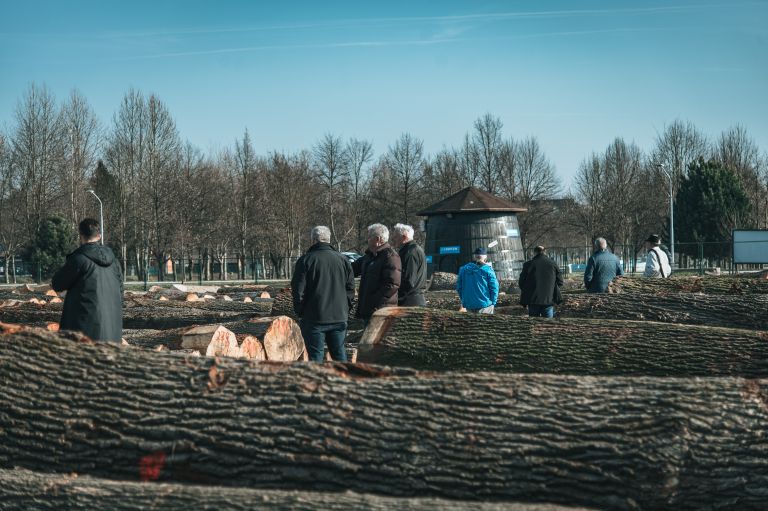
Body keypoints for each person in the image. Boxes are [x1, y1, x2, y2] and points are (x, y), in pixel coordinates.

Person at [51, 218, 123, 342]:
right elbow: (121, 291)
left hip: (84, 330)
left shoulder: (79, 259)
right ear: (99, 236)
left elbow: (57, 284)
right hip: (112, 329)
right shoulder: (114, 262)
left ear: (81, 236)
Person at [291, 226, 355, 362]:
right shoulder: (343, 260)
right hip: (339, 316)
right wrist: (346, 308)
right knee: (340, 357)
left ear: (313, 240)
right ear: (329, 239)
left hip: (314, 318)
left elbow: (298, 290)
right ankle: (343, 376)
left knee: (315, 358)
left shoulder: (306, 260)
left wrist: (300, 311)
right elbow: (350, 288)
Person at [352, 223, 401, 324]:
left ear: (378, 239)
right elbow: (352, 269)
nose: (367, 239)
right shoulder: (369, 256)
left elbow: (392, 284)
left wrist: (373, 301)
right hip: (369, 310)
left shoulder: (390, 257)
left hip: (381, 311)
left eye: (369, 237)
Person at [518, 246, 563, 318]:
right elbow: (560, 281)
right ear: (545, 252)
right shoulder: (553, 264)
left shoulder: (528, 264)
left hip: (532, 299)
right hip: (548, 299)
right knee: (548, 323)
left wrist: (527, 291)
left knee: (533, 322)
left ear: (534, 252)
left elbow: (521, 282)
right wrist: (551, 289)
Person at [391, 223, 427, 306]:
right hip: (415, 299)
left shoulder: (409, 252)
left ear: (404, 237)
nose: (393, 239)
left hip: (409, 302)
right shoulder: (415, 249)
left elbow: (409, 280)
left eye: (396, 237)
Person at [456, 247, 499, 314]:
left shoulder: (463, 269)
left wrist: (465, 300)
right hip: (485, 305)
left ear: (474, 257)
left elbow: (459, 287)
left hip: (469, 304)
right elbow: (494, 288)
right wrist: (493, 302)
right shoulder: (488, 270)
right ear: (485, 257)